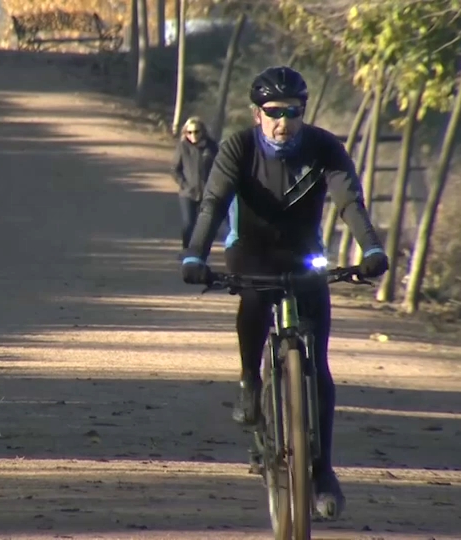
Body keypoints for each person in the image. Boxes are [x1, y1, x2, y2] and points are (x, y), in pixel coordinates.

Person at [179, 66, 389, 519]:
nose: (283, 121)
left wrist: (371, 248)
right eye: (273, 112)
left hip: (303, 255)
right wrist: (195, 256)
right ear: (258, 114)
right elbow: (213, 203)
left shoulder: (323, 147)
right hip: (250, 252)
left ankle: (324, 472)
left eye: (293, 112)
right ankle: (250, 382)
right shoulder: (238, 147)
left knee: (320, 365)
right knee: (254, 298)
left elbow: (350, 201)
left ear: (303, 113)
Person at [173, 117, 219, 251]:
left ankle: (200, 252)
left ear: (202, 131)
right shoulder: (182, 147)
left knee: (203, 226)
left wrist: (214, 186)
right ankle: (187, 250)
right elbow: (175, 169)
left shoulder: (211, 147)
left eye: (196, 131)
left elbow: (218, 167)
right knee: (188, 224)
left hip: (206, 193)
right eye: (189, 132)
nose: (193, 135)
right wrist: (184, 184)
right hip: (187, 193)